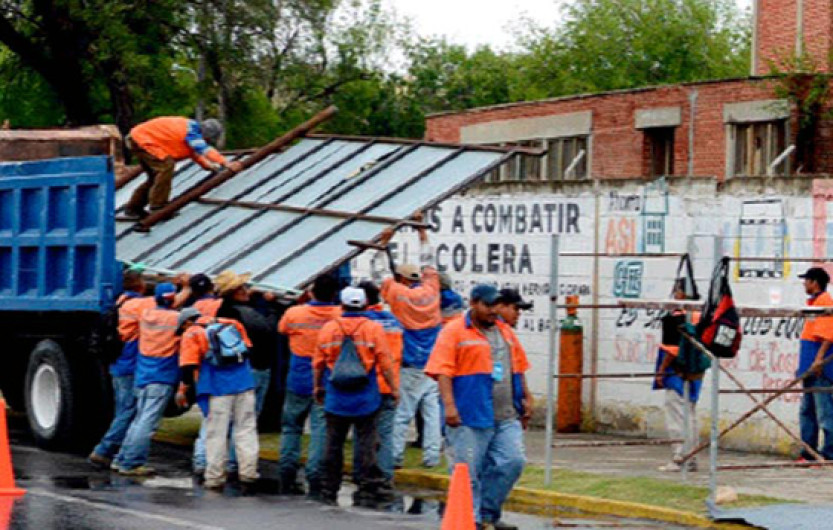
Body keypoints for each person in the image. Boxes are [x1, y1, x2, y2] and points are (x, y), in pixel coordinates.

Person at [425, 284, 533, 530]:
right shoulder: (453, 331)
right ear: (473, 303)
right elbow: (442, 371)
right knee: (467, 471)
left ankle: (488, 513)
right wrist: (450, 407)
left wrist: (526, 398)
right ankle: (471, 520)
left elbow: (518, 366)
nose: (493, 311)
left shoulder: (505, 332)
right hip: (470, 414)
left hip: (505, 413)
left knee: (512, 462)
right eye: (487, 305)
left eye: (496, 305)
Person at [313, 286, 397, 506]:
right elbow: (385, 363)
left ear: (341, 305)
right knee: (367, 443)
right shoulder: (372, 328)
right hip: (365, 397)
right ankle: (368, 483)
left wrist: (317, 387)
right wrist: (395, 388)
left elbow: (318, 363)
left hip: (336, 397)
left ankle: (329, 486)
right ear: (365, 305)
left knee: (333, 443)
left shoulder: (329, 328)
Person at [379, 226, 443, 469]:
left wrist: (384, 243)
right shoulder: (432, 292)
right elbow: (429, 262)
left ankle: (395, 456)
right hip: (433, 362)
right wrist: (422, 234)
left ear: (402, 279)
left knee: (403, 413)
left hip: (410, 362)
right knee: (431, 413)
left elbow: (381, 275)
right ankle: (432, 456)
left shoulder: (398, 294)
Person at [178, 309, 259, 491]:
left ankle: (214, 477)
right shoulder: (231, 323)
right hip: (244, 383)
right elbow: (248, 349)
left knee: (216, 434)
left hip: (217, 388)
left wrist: (185, 388)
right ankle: (249, 473)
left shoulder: (192, 333)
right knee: (246, 429)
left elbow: (187, 366)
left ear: (186, 323)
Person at [277, 274, 341, 496]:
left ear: (312, 291)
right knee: (319, 430)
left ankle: (286, 472)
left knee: (291, 427)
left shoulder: (295, 313)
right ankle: (314, 474)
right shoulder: (339, 316)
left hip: (298, 377)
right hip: (326, 380)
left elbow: (282, 330)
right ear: (335, 293)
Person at [88, 270, 155, 470]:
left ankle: (116, 452)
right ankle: (104, 450)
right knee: (128, 411)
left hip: (118, 364)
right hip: (129, 366)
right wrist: (186, 288)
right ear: (139, 285)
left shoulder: (121, 302)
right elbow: (167, 303)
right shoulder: (138, 305)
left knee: (124, 410)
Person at [115, 283, 183, 476]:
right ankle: (131, 463)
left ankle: (122, 458)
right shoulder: (176, 319)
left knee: (138, 419)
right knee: (147, 422)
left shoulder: (146, 316)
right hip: (162, 376)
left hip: (143, 374)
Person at [123, 117, 243, 219]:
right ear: (206, 134)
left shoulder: (190, 130)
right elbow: (204, 149)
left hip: (137, 138)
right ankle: (158, 206)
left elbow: (193, 152)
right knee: (166, 167)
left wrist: (208, 166)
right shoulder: (192, 133)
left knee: (154, 178)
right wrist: (225, 163)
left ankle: (134, 208)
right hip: (142, 140)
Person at [653, 280, 703, 472]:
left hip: (677, 372)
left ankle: (680, 456)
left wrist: (661, 371)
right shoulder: (699, 316)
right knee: (689, 414)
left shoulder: (676, 317)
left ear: (681, 294)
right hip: (695, 371)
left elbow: (672, 349)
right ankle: (691, 457)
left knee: (676, 415)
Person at [358, 280, 403, 485]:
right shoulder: (393, 320)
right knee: (385, 434)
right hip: (390, 383)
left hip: (368, 385)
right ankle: (386, 476)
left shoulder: (363, 322)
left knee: (365, 433)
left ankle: (365, 475)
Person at [797, 267, 833, 462]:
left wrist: (819, 360)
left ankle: (829, 453)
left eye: (807, 280)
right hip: (808, 367)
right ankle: (808, 451)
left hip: (820, 368)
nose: (804, 284)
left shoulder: (825, 302)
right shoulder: (813, 303)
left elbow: (828, 335)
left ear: (815, 282)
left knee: (825, 412)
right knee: (807, 411)